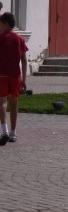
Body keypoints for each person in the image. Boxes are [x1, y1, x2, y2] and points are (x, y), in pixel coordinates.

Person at [0, 12, 28, 144]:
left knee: (2, 102)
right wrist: (24, 80)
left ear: (5, 24)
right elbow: (24, 60)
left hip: (1, 74)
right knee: (14, 102)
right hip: (15, 75)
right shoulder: (19, 39)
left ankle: (4, 130)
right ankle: (13, 133)